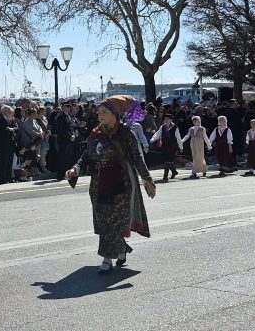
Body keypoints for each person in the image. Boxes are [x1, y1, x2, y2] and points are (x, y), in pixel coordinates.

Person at [66, 95, 156, 275]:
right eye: (99, 112)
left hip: (121, 184)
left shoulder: (126, 134)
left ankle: (107, 259)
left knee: (114, 222)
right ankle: (121, 250)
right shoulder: (95, 134)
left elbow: (138, 159)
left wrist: (147, 180)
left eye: (104, 112)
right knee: (104, 222)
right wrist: (75, 169)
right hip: (99, 184)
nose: (100, 115)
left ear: (115, 114)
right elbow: (86, 156)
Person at [150, 113, 182, 182]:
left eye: (167, 119)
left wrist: (180, 146)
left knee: (168, 161)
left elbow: (178, 137)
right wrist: (152, 140)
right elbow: (157, 134)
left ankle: (165, 176)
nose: (166, 120)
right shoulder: (162, 127)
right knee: (168, 160)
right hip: (165, 146)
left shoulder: (175, 127)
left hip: (172, 147)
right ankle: (174, 172)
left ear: (171, 120)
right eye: (165, 119)